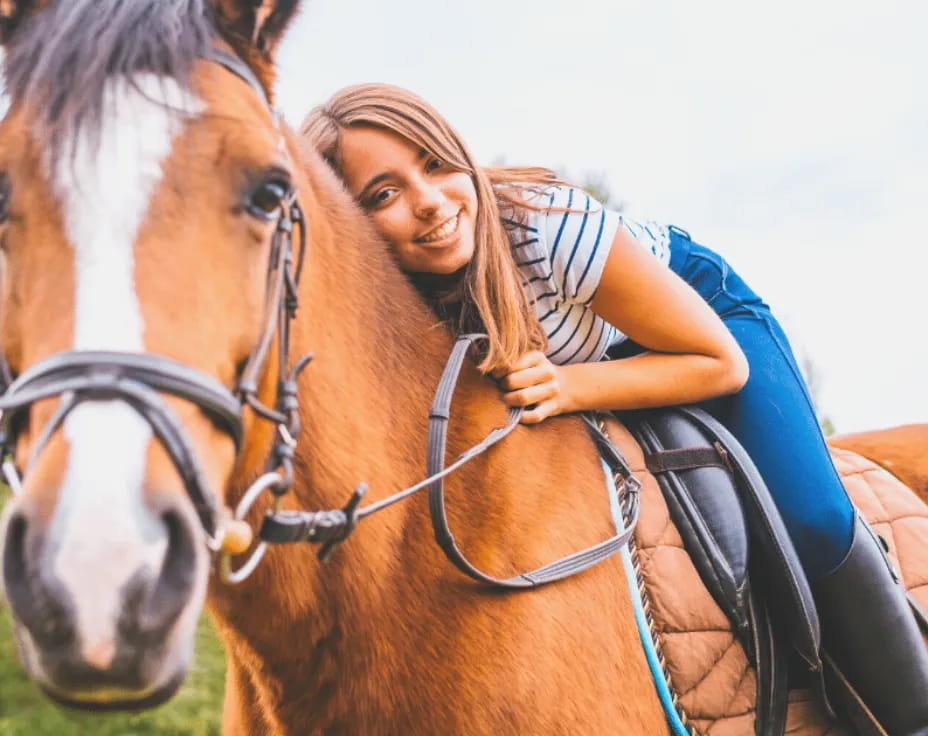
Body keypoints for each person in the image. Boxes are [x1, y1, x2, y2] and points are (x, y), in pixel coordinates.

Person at [301, 83, 928, 734]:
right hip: (571, 356)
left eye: (435, 164)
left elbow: (717, 364)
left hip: (698, 324)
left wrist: (571, 388)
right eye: (383, 194)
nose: (428, 203)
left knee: (814, 516)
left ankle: (908, 713)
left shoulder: (548, 227)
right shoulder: (387, 304)